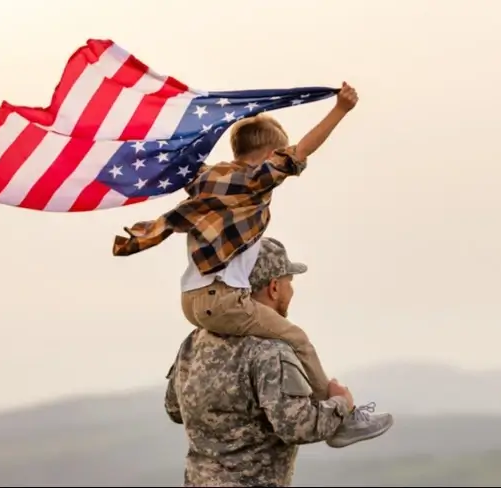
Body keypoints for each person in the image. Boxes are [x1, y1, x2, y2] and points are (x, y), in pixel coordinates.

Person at [115, 83, 391, 443]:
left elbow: (174, 410)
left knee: (238, 338)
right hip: (223, 298)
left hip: (192, 300)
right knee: (297, 339)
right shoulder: (252, 181)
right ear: (269, 154)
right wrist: (340, 110)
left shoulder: (207, 179)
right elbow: (301, 152)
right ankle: (345, 418)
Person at [164, 238, 393, 487]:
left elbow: (174, 409)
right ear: (274, 288)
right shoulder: (270, 351)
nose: (291, 291)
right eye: (289, 283)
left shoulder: (194, 341)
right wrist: (340, 404)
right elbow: (296, 425)